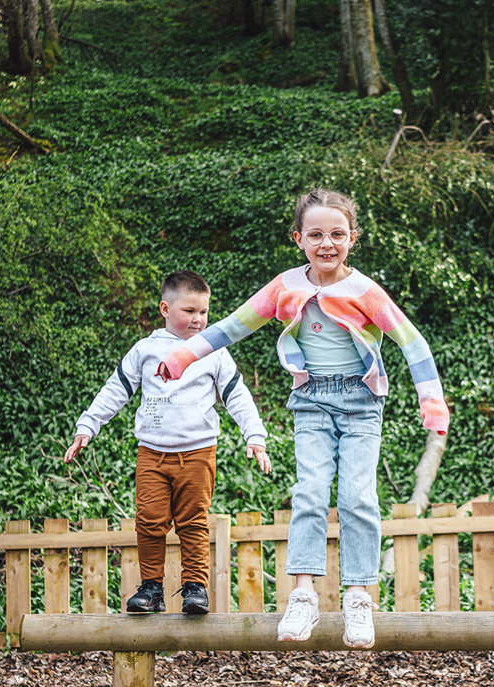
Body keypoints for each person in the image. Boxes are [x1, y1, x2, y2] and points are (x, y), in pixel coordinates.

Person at [158, 188, 449, 648]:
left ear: (353, 237)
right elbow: (232, 326)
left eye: (337, 233)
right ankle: (304, 594)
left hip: (360, 402)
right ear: (299, 238)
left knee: (358, 497)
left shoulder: (364, 291)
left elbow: (411, 341)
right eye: (316, 234)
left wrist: (431, 401)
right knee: (309, 493)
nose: (327, 243)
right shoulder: (286, 286)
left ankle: (357, 596)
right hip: (311, 401)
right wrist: (183, 357)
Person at [64, 270, 271, 615]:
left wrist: (255, 435)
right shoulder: (146, 349)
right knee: (149, 519)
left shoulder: (213, 350)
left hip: (198, 453)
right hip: (153, 453)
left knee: (193, 521)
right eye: (189, 311)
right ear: (165, 308)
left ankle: (195, 588)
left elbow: (237, 395)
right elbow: (116, 390)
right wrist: (87, 426)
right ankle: (151, 589)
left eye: (203, 311)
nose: (198, 319)